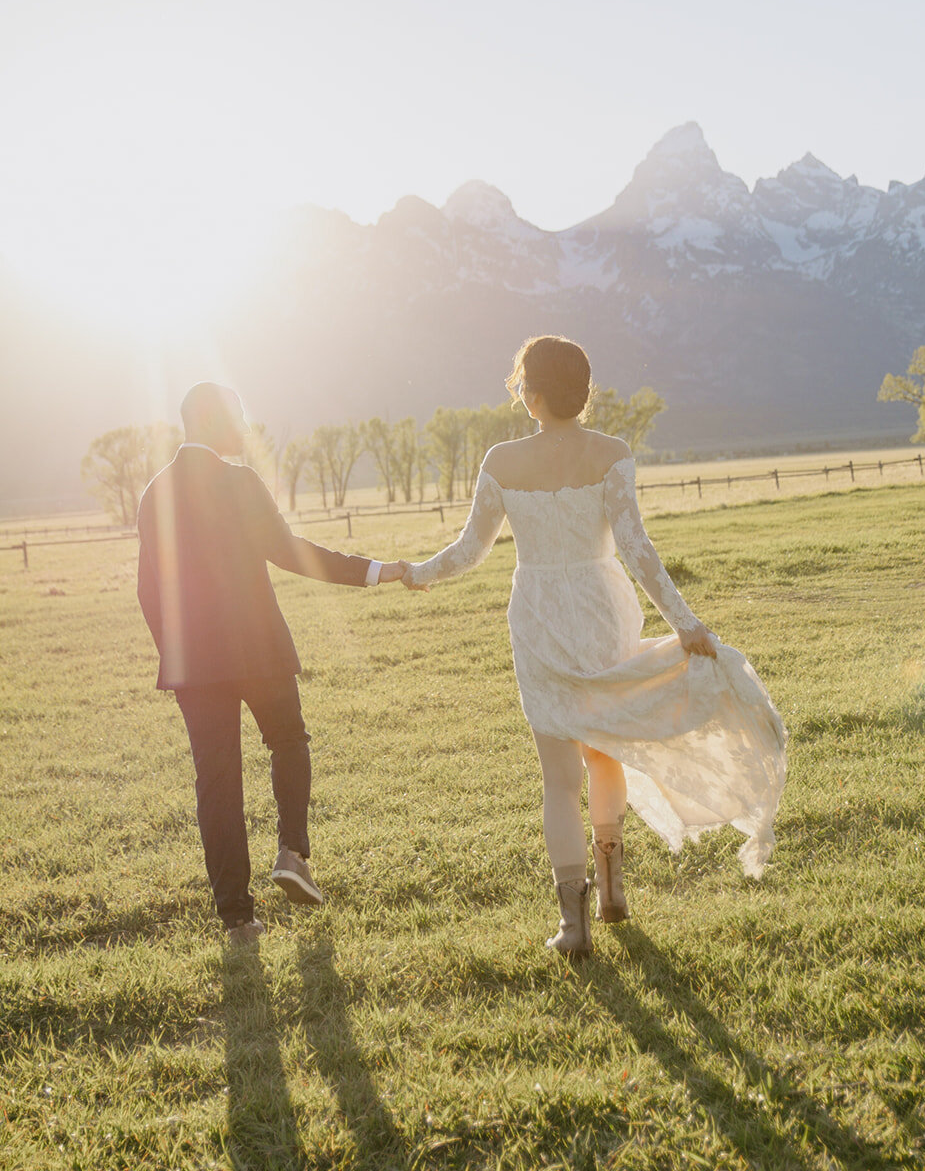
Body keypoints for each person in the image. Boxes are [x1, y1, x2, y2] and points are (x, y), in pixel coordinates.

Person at [400, 336, 787, 958]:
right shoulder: (611, 453)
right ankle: (610, 891)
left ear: (532, 393)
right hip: (603, 605)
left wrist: (415, 571)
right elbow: (637, 550)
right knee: (604, 752)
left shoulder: (501, 459)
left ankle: (572, 923)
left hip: (539, 615)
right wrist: (685, 623)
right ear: (581, 390)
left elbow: (470, 552)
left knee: (558, 777)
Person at [137, 382, 404, 943]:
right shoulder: (239, 481)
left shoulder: (153, 494)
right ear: (211, 421)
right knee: (288, 740)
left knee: (216, 781)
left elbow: (147, 591)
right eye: (237, 416)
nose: (245, 426)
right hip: (258, 647)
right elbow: (288, 552)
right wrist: (375, 570)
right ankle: (292, 853)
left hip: (193, 665)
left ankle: (237, 919)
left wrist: (179, 653)